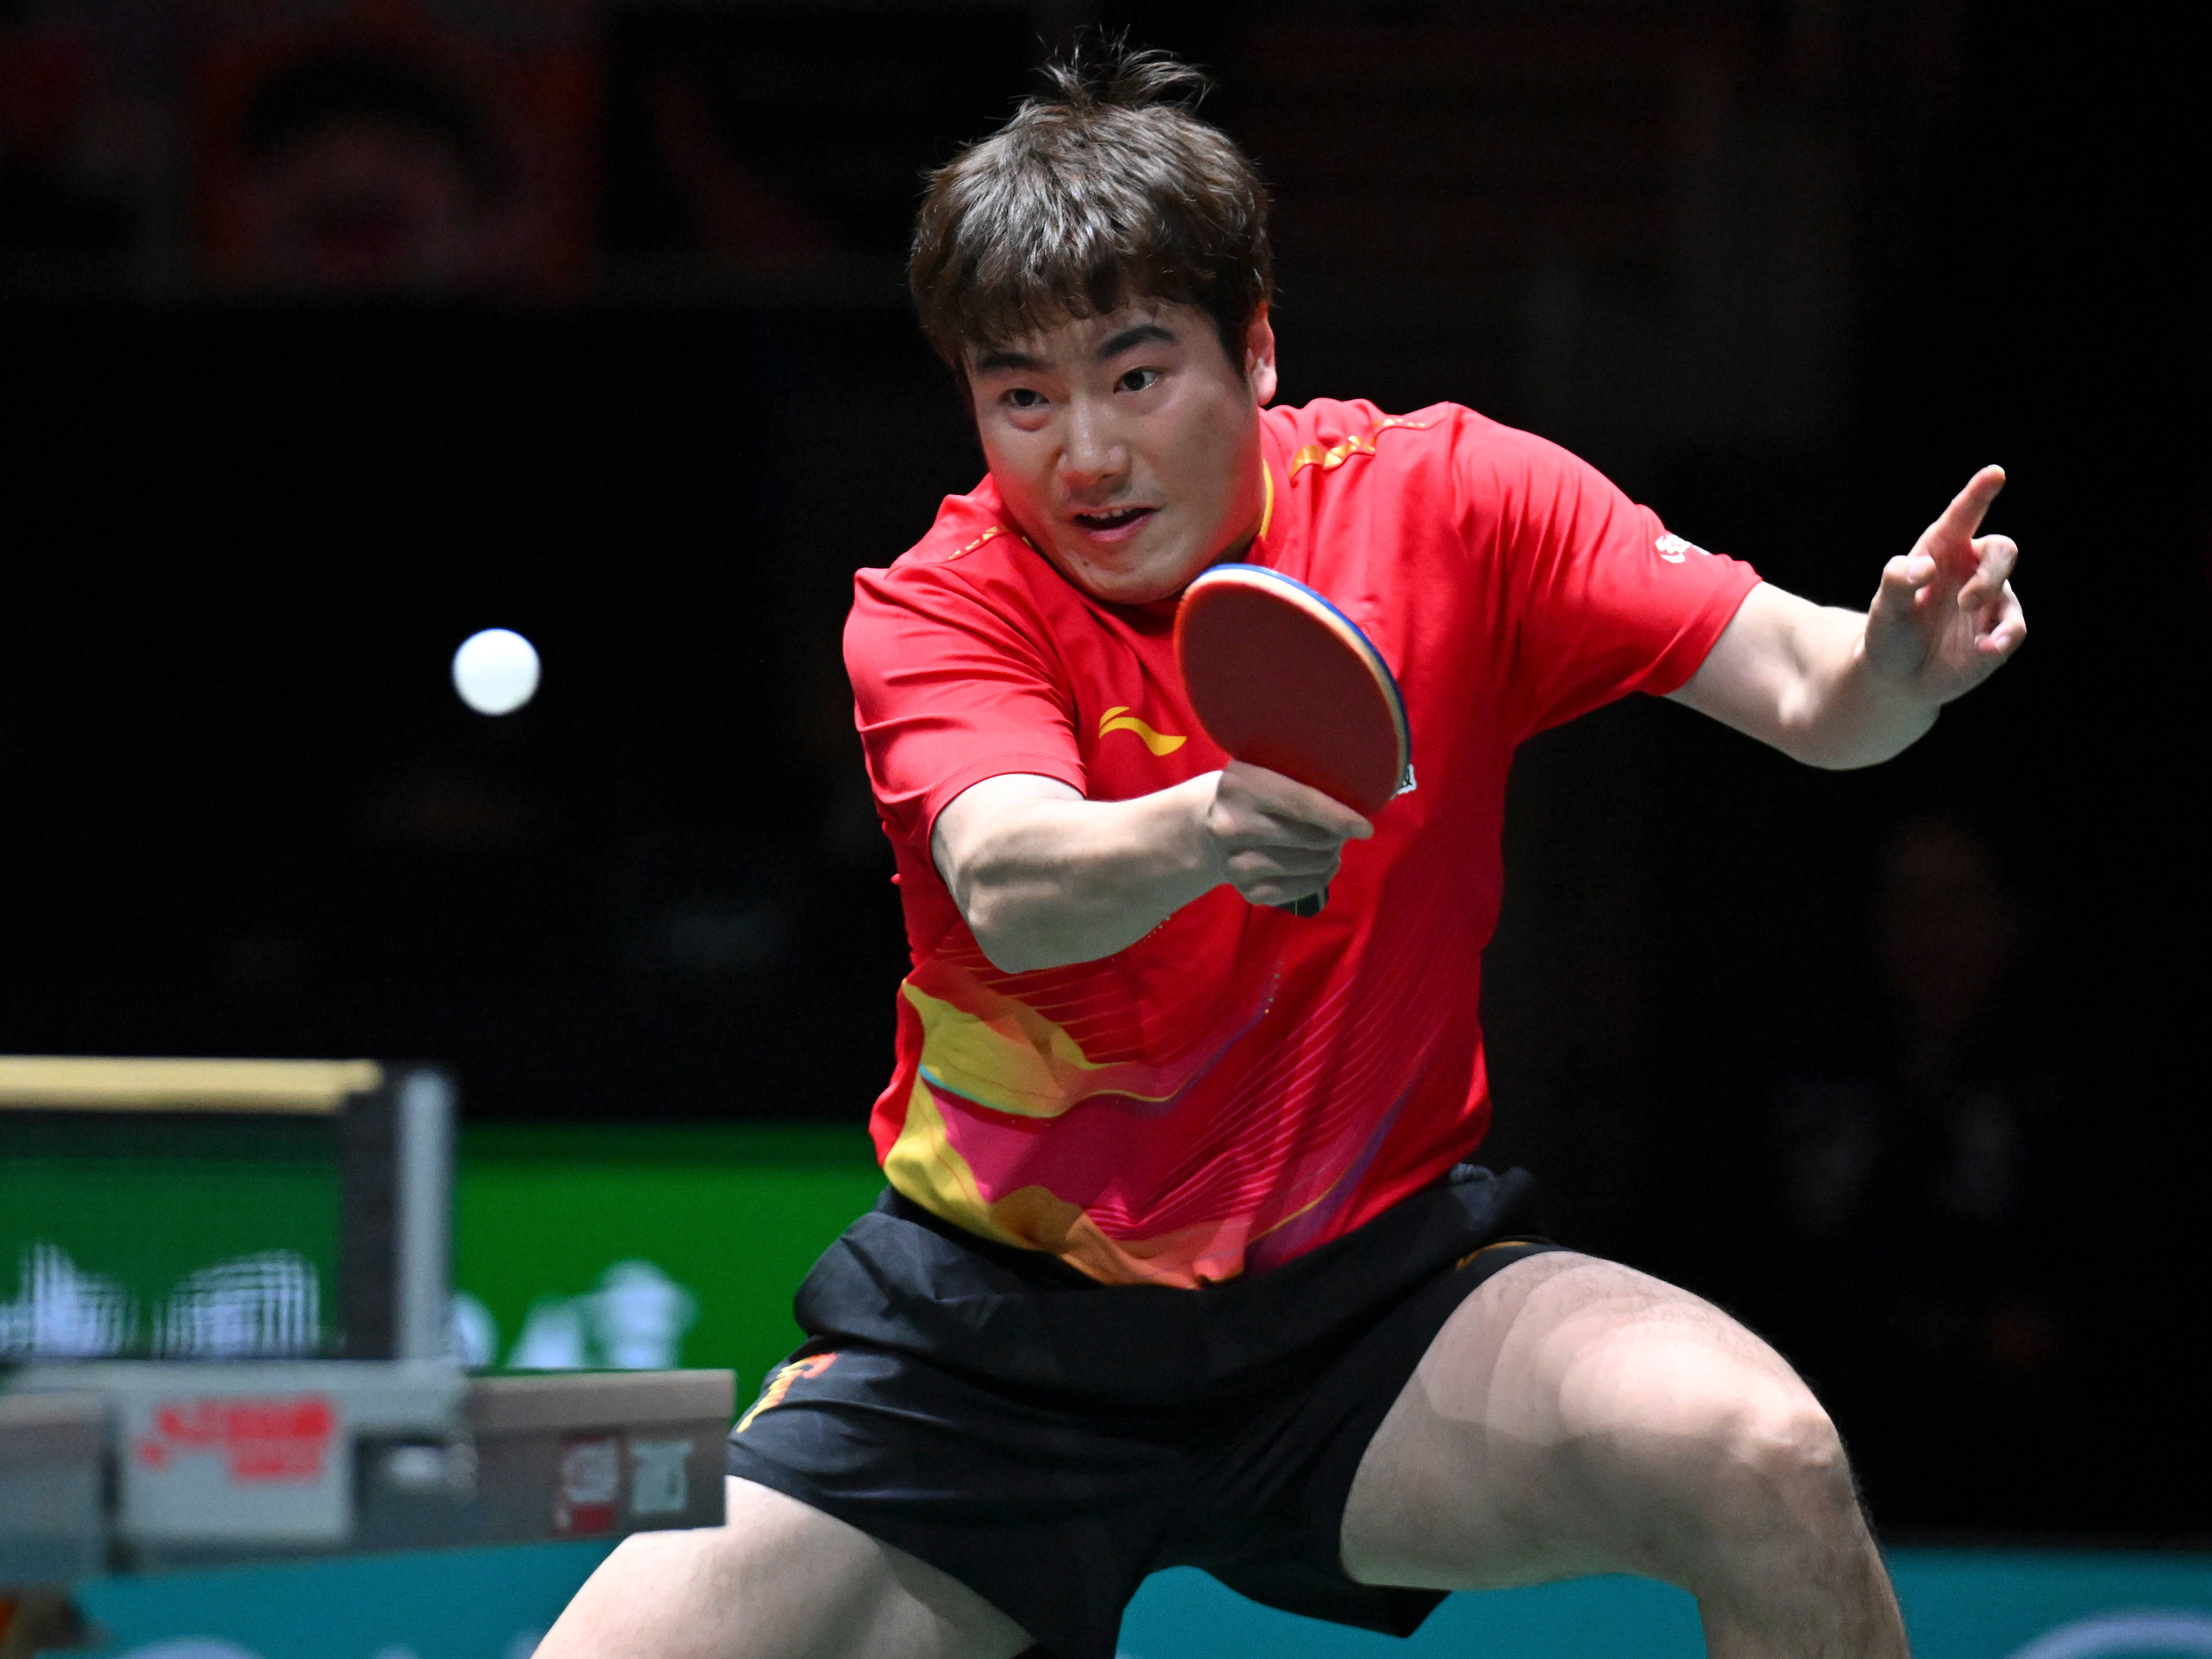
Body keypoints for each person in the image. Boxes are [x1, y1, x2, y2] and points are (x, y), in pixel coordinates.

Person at [538, 46, 2024, 1659]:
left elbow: (1814, 694)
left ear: (1252, 348)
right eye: (1020, 396)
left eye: (1134, 376)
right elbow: (1015, 883)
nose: (1083, 455)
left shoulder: (1452, 504)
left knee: (1759, 1457)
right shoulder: (941, 604)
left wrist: (1897, 670)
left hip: (1365, 1314)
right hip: (992, 1349)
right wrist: (1210, 826)